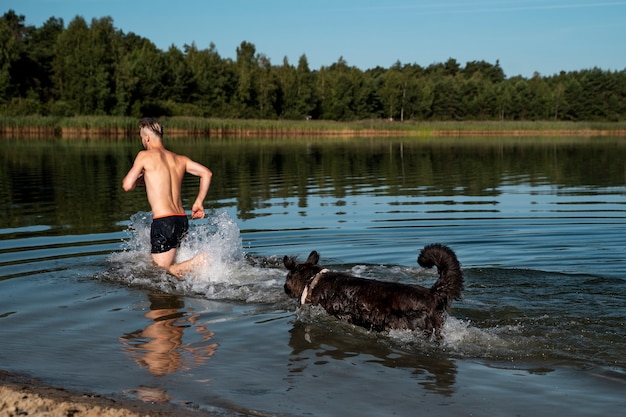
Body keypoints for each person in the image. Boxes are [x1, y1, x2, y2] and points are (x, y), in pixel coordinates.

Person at [122, 117, 212, 278]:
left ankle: (199, 262)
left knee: (160, 274)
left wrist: (138, 177)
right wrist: (198, 202)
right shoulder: (179, 159)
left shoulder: (144, 156)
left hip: (164, 221)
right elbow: (206, 173)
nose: (142, 141)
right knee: (172, 271)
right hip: (181, 220)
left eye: (142, 137)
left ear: (147, 138)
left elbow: (127, 185)